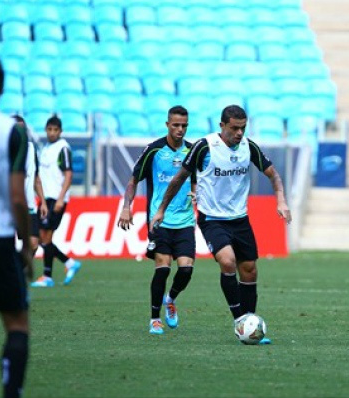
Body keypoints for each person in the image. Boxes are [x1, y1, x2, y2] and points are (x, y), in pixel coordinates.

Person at [150, 105, 292, 345]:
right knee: (227, 261)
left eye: (243, 128)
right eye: (235, 128)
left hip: (240, 218)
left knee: (250, 270)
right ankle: (241, 322)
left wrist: (281, 199)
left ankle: (249, 322)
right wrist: (161, 209)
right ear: (222, 126)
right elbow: (178, 179)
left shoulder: (249, 147)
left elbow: (273, 174)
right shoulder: (205, 146)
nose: (239, 133)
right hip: (212, 219)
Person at [117, 106, 197, 335]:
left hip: (185, 220)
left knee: (186, 270)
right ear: (167, 124)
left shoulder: (192, 151)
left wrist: (195, 191)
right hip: (158, 219)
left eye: (184, 125)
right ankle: (154, 319)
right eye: (176, 125)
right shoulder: (154, 150)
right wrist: (126, 207)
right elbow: (133, 180)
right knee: (162, 268)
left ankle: (170, 299)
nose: (180, 129)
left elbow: (197, 178)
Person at [0, 59, 33, 398]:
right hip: (1, 239)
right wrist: (25, 244)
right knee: (17, 323)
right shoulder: (12, 131)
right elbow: (17, 198)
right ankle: (12, 391)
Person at [30, 115, 81, 287]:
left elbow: (68, 174)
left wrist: (61, 198)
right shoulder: (46, 147)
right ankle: (68, 263)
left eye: (55, 130)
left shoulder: (63, 148)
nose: (52, 133)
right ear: (46, 130)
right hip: (46, 199)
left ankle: (48, 276)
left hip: (56, 198)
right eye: (49, 129)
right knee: (43, 237)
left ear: (60, 131)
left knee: (45, 236)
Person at [13, 116, 48, 269]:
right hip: (8, 205)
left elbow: (35, 177)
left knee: (34, 244)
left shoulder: (31, 149)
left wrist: (43, 201)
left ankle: (17, 271)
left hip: (29, 204)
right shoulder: (4, 149)